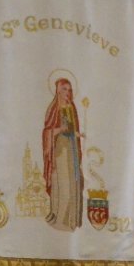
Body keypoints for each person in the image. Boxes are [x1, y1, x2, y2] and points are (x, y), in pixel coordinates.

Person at [42, 78, 84, 231]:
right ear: (58, 91)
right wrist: (60, 129)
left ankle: (72, 219)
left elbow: (72, 128)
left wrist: (77, 134)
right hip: (59, 149)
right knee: (63, 183)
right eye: (65, 89)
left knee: (73, 181)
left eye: (70, 90)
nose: (68, 93)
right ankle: (61, 219)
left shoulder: (72, 107)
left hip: (71, 147)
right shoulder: (53, 108)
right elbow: (47, 132)